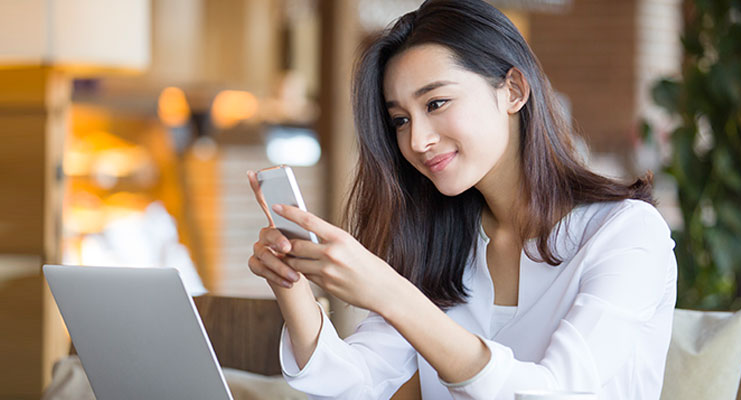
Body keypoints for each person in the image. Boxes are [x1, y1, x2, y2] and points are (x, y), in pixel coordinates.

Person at [245, 0, 677, 398]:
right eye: (399, 119)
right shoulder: (444, 243)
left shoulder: (626, 233)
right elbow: (353, 383)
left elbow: (553, 391)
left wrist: (391, 293)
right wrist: (291, 283)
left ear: (513, 91)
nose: (417, 139)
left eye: (436, 103)